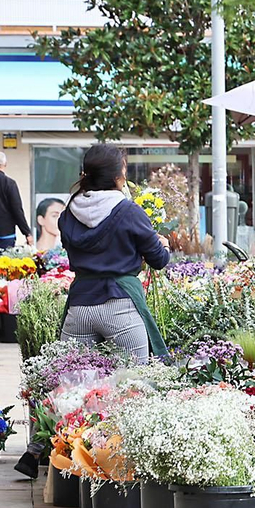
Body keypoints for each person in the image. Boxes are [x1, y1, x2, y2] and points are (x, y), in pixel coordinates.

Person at [58, 144, 170, 362]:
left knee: (70, 386)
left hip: (80, 307)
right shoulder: (130, 212)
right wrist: (164, 245)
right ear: (119, 176)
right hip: (121, 308)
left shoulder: (68, 214)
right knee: (133, 385)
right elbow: (158, 259)